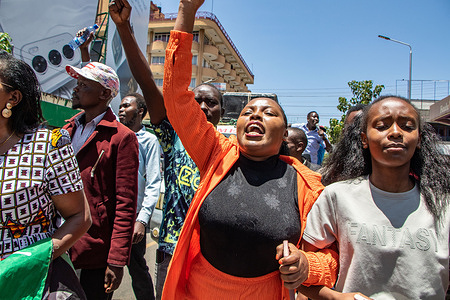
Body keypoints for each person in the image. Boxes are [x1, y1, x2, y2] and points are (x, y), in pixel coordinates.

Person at [146, 1, 340, 298]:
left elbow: (330, 258)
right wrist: (186, 10)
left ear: (284, 133)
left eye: (268, 113)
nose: (255, 116)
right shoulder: (215, 153)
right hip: (199, 291)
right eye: (248, 112)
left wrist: (306, 264)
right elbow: (176, 96)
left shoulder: (308, 185)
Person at [108, 2, 224, 298]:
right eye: (196, 99)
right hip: (172, 248)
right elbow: (148, 82)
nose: (201, 107)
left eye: (211, 102)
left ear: (222, 113)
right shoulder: (173, 135)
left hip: (215, 254)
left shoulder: (230, 150)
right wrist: (123, 27)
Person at [300, 96, 450, 299]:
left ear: (420, 139)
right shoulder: (337, 197)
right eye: (382, 126)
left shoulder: (444, 205)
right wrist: (335, 297)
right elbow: (305, 274)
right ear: (364, 139)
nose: (395, 133)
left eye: (407, 126)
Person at [0, 50, 91, 299]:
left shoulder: (48, 145)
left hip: (32, 281)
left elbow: (80, 217)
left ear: (13, 97)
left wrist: (29, 262)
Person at [63, 55, 139, 298]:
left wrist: (116, 260)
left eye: (84, 85)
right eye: (77, 83)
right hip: (58, 243)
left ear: (105, 94)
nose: (76, 89)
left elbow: (125, 203)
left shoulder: (122, 138)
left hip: (93, 253)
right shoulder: (66, 130)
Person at [118, 93, 162, 300]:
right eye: (120, 105)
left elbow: (153, 183)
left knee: (137, 269)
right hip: (110, 215)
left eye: (126, 106)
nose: (121, 109)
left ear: (140, 112)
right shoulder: (113, 135)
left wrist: (142, 220)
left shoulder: (149, 141)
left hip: (132, 218)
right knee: (104, 269)